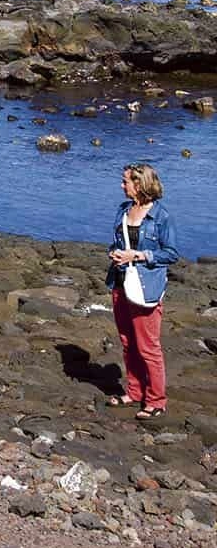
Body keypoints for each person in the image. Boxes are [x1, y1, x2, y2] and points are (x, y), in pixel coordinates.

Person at [105, 162, 178, 420]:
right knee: (127, 343)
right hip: (120, 283)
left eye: (125, 181)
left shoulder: (160, 216)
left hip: (146, 287)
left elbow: (171, 254)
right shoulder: (123, 210)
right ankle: (134, 392)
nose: (121, 185)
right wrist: (115, 254)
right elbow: (116, 242)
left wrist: (137, 255)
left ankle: (156, 400)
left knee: (148, 347)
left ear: (140, 184)